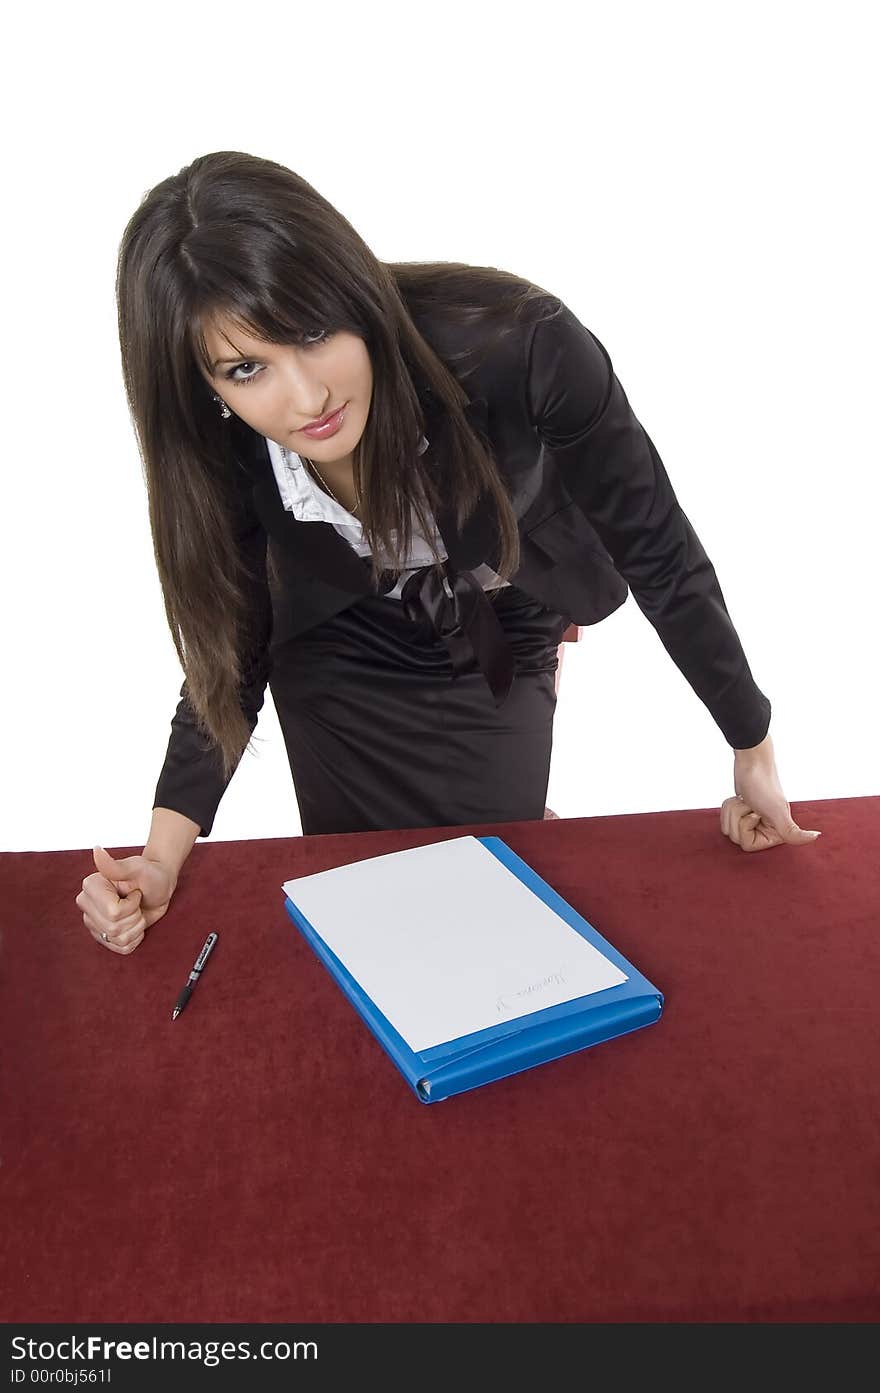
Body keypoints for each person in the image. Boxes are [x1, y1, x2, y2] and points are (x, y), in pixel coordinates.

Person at [76, 149, 821, 955]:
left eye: (314, 330)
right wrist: (158, 859)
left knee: (487, 877)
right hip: (337, 634)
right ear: (205, 386)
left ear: (349, 285)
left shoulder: (522, 345)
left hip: (497, 606)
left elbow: (658, 549)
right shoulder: (223, 450)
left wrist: (750, 744)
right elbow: (228, 651)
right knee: (372, 894)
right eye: (247, 367)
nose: (306, 397)